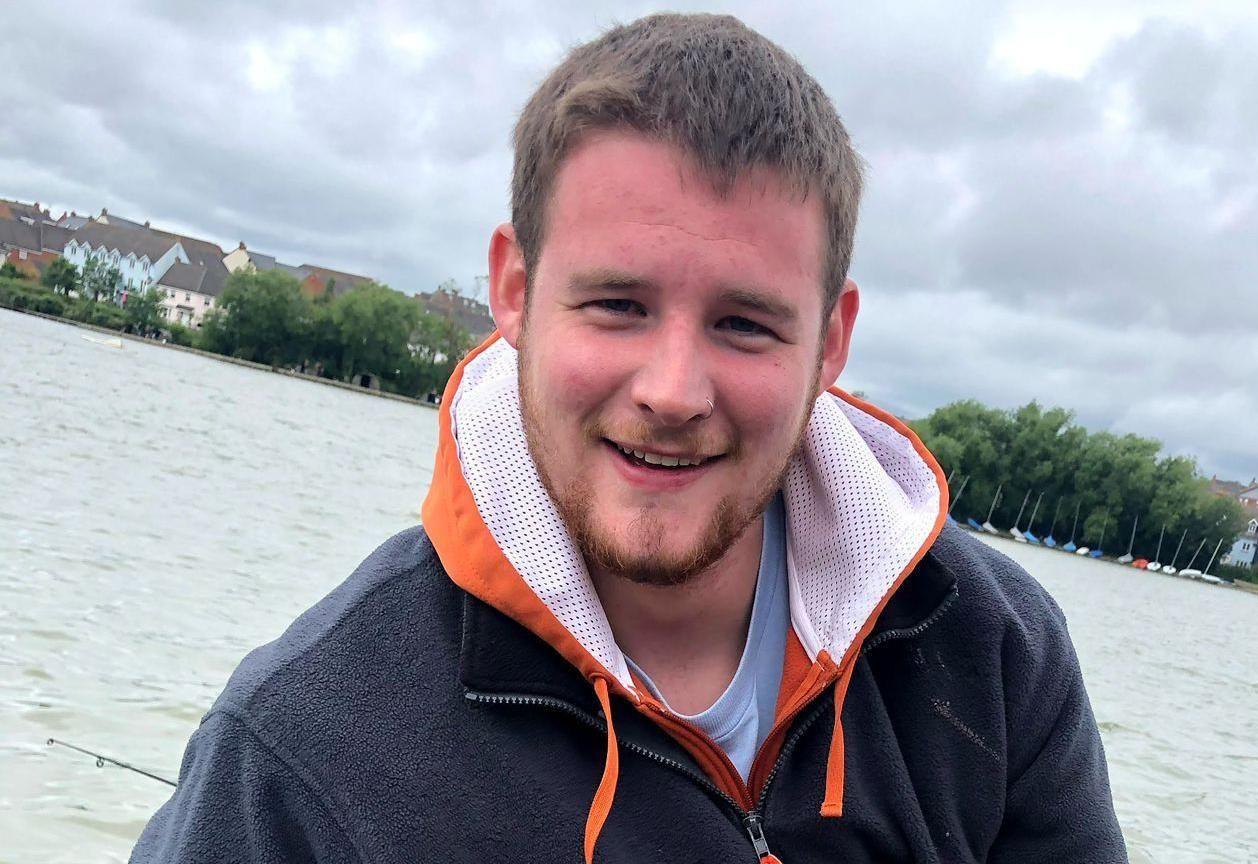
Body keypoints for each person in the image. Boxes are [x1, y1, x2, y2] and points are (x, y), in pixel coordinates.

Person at [131, 13, 1125, 863]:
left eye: (745, 323)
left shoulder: (993, 652)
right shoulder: (302, 746)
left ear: (832, 341)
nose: (673, 390)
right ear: (514, 290)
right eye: (617, 304)